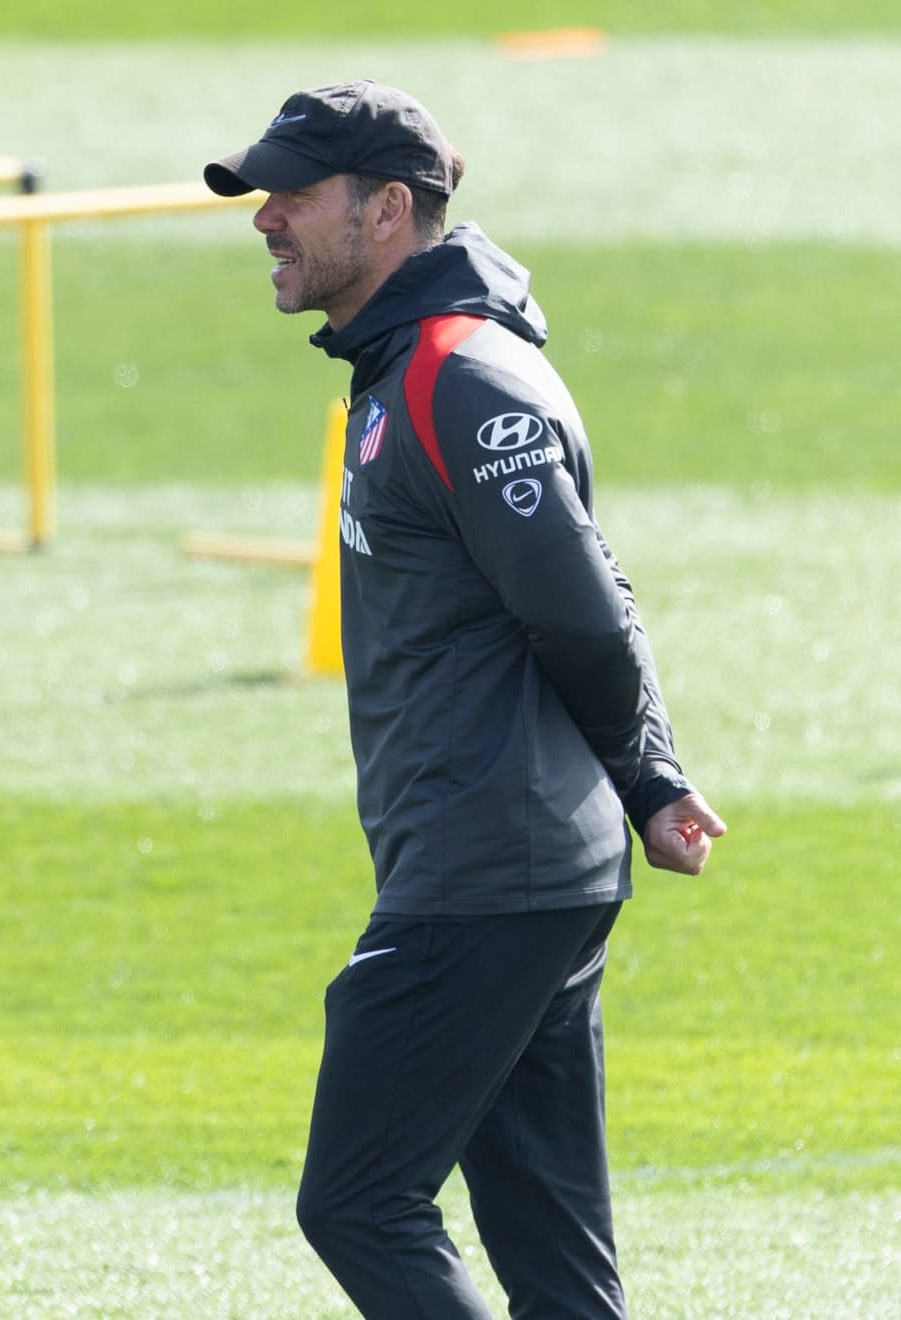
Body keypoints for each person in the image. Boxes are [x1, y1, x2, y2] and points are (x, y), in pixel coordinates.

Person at [203, 81, 727, 1318]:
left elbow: (585, 608)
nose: (266, 219)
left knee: (360, 1200)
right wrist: (641, 786)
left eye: (293, 194)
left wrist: (650, 776)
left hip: (490, 869)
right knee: (552, 1260)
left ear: (388, 210)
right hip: (522, 865)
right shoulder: (412, 366)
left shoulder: (457, 379)